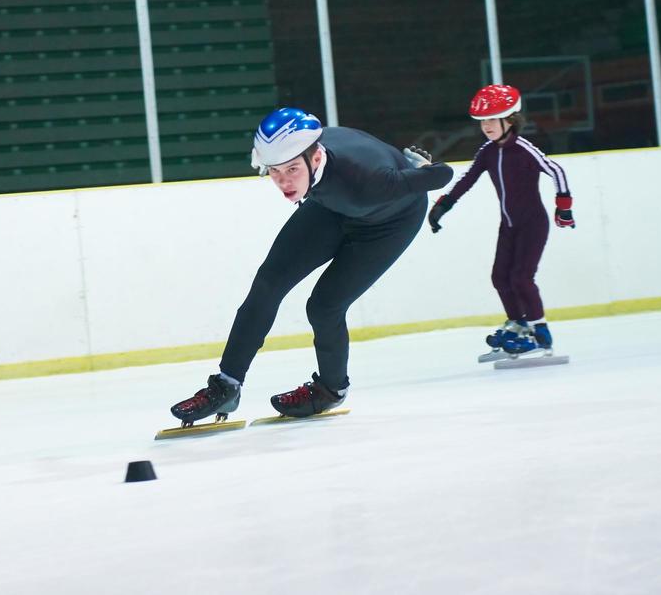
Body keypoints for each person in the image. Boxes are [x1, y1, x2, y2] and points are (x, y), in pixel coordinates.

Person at [169, 107, 454, 425]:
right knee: (268, 282)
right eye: (274, 171)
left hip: (388, 223)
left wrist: (419, 170)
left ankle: (332, 389)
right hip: (332, 206)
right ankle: (227, 385)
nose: (283, 182)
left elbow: (443, 175)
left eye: (292, 170)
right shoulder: (306, 154)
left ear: (315, 158)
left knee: (324, 306)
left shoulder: (368, 181)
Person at [426, 84, 574, 358]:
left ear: (510, 120)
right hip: (508, 225)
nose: (487, 126)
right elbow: (467, 180)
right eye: (483, 121)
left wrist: (563, 207)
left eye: (492, 119)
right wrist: (443, 206)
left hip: (533, 224)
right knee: (499, 277)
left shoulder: (524, 149)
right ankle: (518, 325)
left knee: (521, 277)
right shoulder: (488, 152)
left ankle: (540, 332)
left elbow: (556, 170)